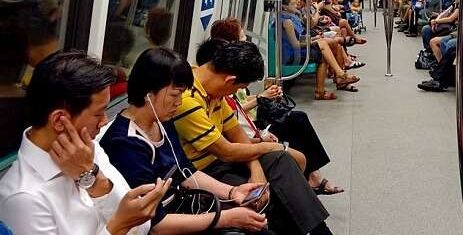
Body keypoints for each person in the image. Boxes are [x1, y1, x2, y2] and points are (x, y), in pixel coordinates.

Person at [101, 48, 273, 234]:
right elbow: (155, 224)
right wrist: (225, 219)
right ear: (148, 94)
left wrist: (233, 192)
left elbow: (185, 171)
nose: (179, 103)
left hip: (183, 204)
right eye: (174, 95)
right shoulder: (125, 144)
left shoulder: (162, 122)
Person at [172, 41, 335, 235]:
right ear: (230, 81)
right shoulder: (186, 98)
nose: (233, 95)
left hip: (224, 162)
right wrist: (273, 148)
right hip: (205, 172)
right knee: (275, 187)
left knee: (281, 161)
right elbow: (226, 151)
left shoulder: (212, 90)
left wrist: (256, 169)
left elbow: (238, 137)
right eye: (237, 89)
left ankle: (320, 231)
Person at [0, 51, 169, 235]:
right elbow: (132, 222)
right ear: (59, 120)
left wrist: (95, 182)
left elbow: (142, 225)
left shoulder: (88, 148)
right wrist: (118, 227)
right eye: (98, 113)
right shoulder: (23, 198)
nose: (105, 121)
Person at [196, 35, 343, 196]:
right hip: (248, 129)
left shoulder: (219, 95)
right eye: (241, 35)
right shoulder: (203, 97)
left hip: (249, 128)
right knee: (292, 133)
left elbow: (235, 121)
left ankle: (312, 176)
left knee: (296, 122)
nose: (245, 37)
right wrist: (261, 102)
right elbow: (227, 145)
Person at [277, 0, 360, 99]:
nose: (299, 1)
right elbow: (295, 44)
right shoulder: (287, 21)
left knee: (335, 47)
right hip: (292, 55)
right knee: (322, 49)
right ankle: (325, 87)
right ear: (285, 4)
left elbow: (301, 35)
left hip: (299, 49)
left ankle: (340, 79)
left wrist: (313, 38)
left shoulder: (294, 16)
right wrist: (313, 41)